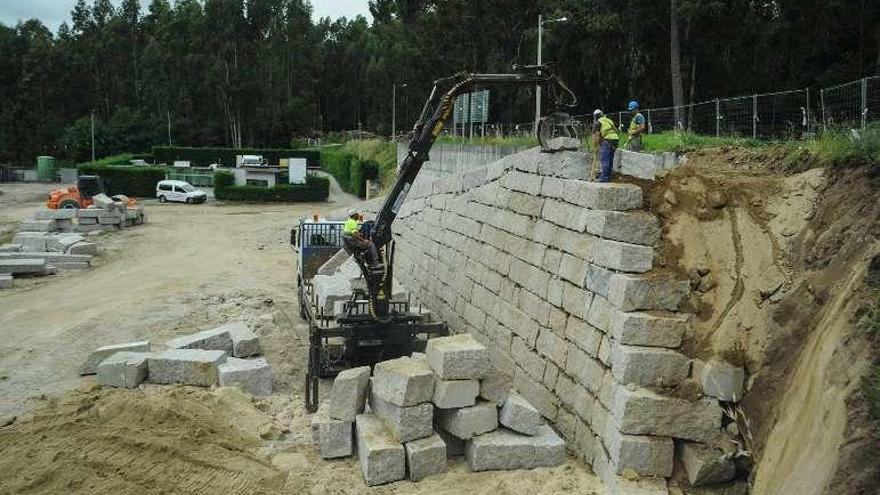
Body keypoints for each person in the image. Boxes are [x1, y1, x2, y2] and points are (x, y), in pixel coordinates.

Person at [591, 109, 619, 182]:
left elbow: (597, 136)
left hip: (608, 139)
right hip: (615, 139)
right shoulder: (609, 120)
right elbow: (616, 130)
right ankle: (608, 176)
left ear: (595, 117)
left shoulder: (598, 123)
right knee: (610, 159)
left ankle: (604, 178)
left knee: (605, 159)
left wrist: (595, 147)